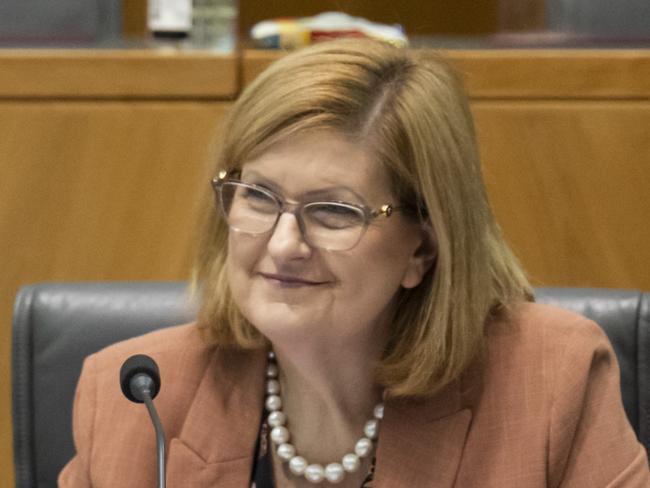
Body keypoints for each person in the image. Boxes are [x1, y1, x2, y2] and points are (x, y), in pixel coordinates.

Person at [59, 39, 649, 487]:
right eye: (259, 197)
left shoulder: (549, 383)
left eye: (335, 211)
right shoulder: (136, 404)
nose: (284, 243)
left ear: (423, 245)